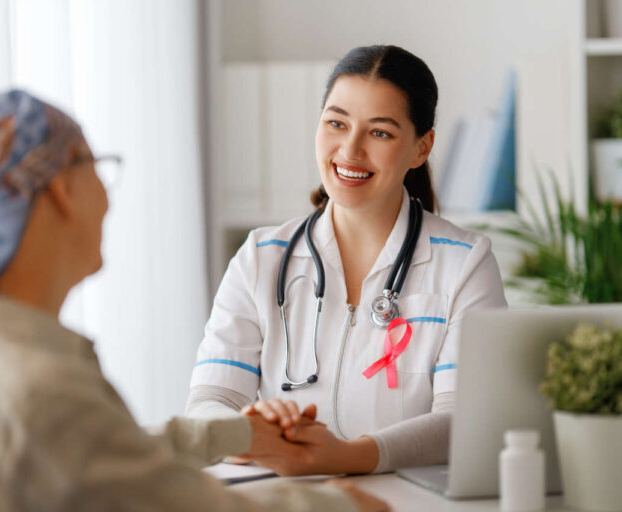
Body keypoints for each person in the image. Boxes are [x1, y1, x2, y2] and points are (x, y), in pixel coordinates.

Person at [0, 90, 388, 512]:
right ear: (62, 186)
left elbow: (92, 457)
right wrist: (342, 505)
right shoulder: (38, 388)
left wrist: (235, 433)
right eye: (97, 166)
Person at [187, 45, 508, 475]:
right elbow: (211, 401)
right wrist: (246, 432)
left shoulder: (465, 264)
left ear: (421, 148)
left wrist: (348, 456)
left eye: (380, 133)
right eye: (336, 123)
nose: (350, 150)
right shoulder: (260, 259)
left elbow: (463, 419)